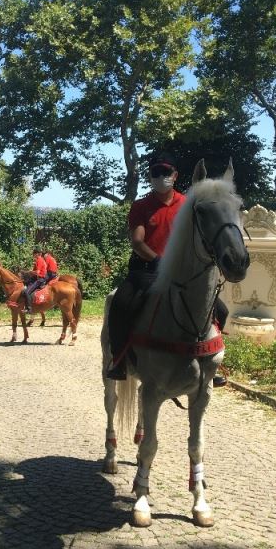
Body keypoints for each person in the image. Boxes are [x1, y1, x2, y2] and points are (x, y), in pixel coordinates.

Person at [105, 151, 228, 386]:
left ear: (175, 175)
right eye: (156, 172)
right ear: (150, 176)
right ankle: (119, 360)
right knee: (121, 305)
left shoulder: (188, 204)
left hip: (183, 273)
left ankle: (211, 363)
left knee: (220, 310)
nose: (161, 176)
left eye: (166, 172)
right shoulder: (141, 206)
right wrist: (158, 261)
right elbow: (138, 241)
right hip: (146, 270)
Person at [22, 248, 47, 313]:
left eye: (34, 254)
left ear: (36, 254)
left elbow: (37, 272)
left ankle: (29, 309)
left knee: (26, 292)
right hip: (37, 278)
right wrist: (28, 272)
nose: (33, 255)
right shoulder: (39, 260)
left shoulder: (39, 260)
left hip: (40, 279)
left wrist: (29, 271)